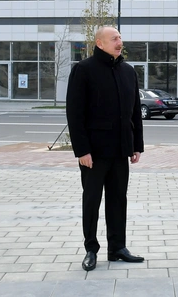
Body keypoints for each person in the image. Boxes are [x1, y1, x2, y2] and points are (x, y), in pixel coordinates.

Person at [66, 26, 145, 271]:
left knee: (118, 200)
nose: (119, 41)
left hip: (121, 150)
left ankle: (117, 248)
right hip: (94, 153)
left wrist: (136, 146)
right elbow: (75, 114)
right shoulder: (84, 70)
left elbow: (135, 113)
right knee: (91, 201)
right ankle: (91, 248)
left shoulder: (128, 72)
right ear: (100, 43)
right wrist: (82, 151)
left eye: (120, 37)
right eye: (114, 38)